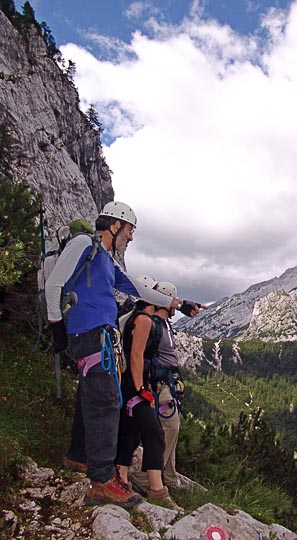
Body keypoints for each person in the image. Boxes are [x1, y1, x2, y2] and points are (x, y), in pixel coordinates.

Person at [45, 201, 200, 507]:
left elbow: (138, 290)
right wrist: (56, 326)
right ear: (115, 225)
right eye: (129, 230)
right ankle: (101, 482)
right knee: (106, 403)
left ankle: (79, 457)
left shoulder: (104, 259)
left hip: (96, 335)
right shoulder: (83, 244)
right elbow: (54, 284)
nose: (130, 238)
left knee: (91, 395)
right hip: (89, 333)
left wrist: (177, 304)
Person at [115, 275, 183, 511]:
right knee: (155, 434)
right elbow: (136, 356)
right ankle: (156, 490)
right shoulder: (144, 321)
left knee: (130, 434)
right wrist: (142, 388)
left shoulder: (132, 317)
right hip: (137, 386)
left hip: (130, 384)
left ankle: (122, 480)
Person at [132, 281, 186, 494]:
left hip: (167, 383)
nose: (174, 307)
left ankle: (169, 475)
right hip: (159, 385)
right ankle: (147, 476)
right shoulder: (153, 324)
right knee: (169, 426)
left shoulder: (164, 325)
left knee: (172, 426)